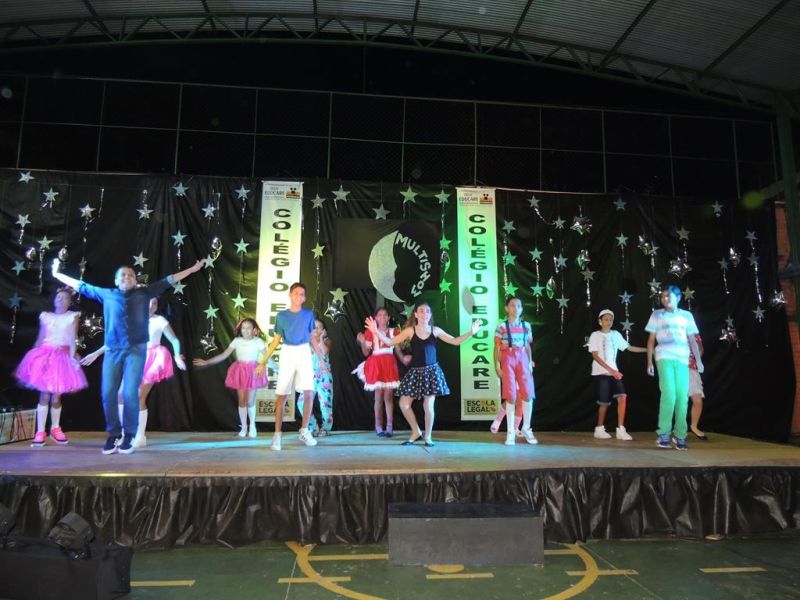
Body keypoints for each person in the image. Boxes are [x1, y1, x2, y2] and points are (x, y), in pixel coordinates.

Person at [52, 258, 202, 455]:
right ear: (116, 281)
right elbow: (80, 285)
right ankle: (114, 434)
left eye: (131, 275)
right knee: (108, 394)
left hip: (136, 351)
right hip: (113, 350)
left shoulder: (143, 293)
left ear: (135, 280)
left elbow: (169, 280)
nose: (127, 277)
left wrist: (192, 269)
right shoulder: (107, 294)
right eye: (122, 275)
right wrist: (56, 274)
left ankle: (129, 435)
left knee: (131, 393)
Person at [366, 302, 480, 446]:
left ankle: (428, 437)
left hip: (431, 372)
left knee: (428, 405)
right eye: (421, 311)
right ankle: (416, 432)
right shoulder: (410, 331)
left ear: (430, 315)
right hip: (415, 372)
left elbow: (455, 341)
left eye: (427, 311)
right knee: (404, 404)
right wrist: (375, 332)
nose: (424, 313)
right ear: (415, 314)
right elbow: (390, 342)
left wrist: (471, 332)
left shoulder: (435, 330)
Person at [81, 297, 186, 448]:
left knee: (138, 396)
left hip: (153, 359)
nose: (150, 305)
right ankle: (125, 434)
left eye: (154, 303)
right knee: (120, 395)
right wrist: (96, 353)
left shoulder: (159, 320)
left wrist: (176, 355)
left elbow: (174, 340)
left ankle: (140, 436)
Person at [15, 287, 87, 447]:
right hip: (45, 356)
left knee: (56, 396)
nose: (61, 300)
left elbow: (72, 339)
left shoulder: (72, 316)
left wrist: (72, 358)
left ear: (70, 302)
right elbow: (41, 338)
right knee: (44, 395)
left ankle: (55, 428)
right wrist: (32, 359)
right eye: (58, 297)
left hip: (62, 357)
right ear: (54, 300)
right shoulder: (46, 316)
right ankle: (40, 431)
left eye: (65, 298)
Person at [255, 282, 318, 451]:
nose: (299, 296)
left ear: (304, 298)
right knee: (282, 395)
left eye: (302, 294)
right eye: (296, 293)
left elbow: (312, 338)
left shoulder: (308, 314)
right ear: (290, 295)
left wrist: (320, 359)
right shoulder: (282, 316)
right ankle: (277, 436)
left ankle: (304, 431)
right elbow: (276, 341)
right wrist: (262, 362)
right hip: (288, 352)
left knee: (309, 392)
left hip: (304, 351)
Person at [645, 285, 703, 450]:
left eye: (668, 296)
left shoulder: (686, 316)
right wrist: (649, 362)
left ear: (678, 297)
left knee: (682, 397)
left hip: (683, 359)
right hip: (664, 357)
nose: (665, 299)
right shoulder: (657, 314)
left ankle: (680, 435)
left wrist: (698, 360)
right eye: (663, 296)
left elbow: (692, 340)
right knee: (669, 394)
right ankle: (664, 433)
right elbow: (651, 340)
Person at [194, 318, 267, 438]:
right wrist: (207, 362)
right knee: (242, 401)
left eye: (248, 328)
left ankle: (252, 426)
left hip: (253, 372)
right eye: (243, 328)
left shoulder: (258, 341)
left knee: (250, 401)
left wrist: (278, 368)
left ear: (254, 330)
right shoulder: (237, 341)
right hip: (240, 371)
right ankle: (244, 427)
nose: (245, 330)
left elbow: (267, 357)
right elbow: (224, 355)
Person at [588, 309, 647, 441]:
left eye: (611, 320)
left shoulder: (615, 334)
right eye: (606, 319)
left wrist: (648, 350)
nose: (608, 322)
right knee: (604, 402)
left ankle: (621, 429)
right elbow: (595, 355)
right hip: (601, 372)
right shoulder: (595, 335)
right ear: (600, 321)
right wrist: (612, 371)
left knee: (622, 397)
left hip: (614, 372)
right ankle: (599, 429)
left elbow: (629, 347)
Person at [354, 307, 408, 437]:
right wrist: (363, 341)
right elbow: (366, 352)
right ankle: (378, 426)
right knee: (378, 397)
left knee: (388, 397)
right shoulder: (370, 331)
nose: (382, 317)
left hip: (389, 365)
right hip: (376, 365)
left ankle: (389, 427)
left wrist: (403, 359)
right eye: (379, 315)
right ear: (375, 318)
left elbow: (398, 350)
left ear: (388, 317)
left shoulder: (394, 331)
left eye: (385, 315)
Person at [492, 296, 538, 445]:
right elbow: (496, 347)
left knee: (528, 394)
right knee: (510, 396)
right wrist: (497, 365)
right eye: (512, 305)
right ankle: (510, 432)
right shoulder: (501, 326)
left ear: (522, 309)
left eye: (519, 306)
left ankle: (526, 428)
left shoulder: (527, 326)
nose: (515, 308)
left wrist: (529, 362)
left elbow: (528, 345)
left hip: (523, 358)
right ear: (507, 308)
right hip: (508, 359)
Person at [297, 318, 333, 436]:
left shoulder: (327, 340)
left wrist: (321, 338)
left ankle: (326, 428)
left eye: (319, 327)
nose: (316, 330)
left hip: (324, 375)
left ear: (323, 330)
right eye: (314, 327)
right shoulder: (306, 342)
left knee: (325, 403)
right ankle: (312, 426)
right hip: (310, 376)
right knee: (301, 403)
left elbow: (325, 351)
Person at [688, 333, 708, 440]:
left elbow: (701, 348)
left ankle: (694, 426)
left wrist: (697, 357)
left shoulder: (694, 333)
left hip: (692, 369)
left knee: (698, 401)